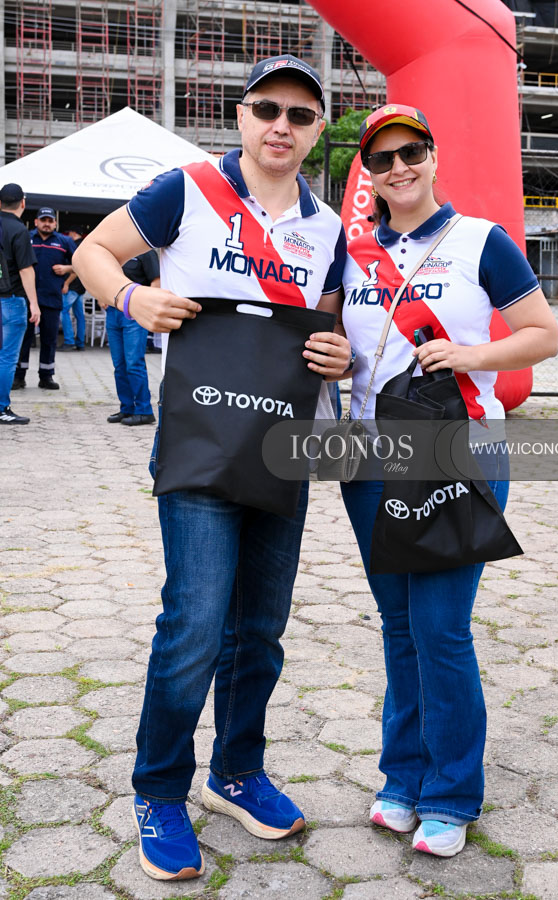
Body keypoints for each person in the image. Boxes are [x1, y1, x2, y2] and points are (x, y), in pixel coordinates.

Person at [73, 54, 350, 882]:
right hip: (197, 446)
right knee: (193, 626)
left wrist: (335, 354)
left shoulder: (327, 228)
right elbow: (94, 251)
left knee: (259, 631)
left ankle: (236, 771)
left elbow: (326, 337)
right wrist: (130, 298)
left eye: (300, 116)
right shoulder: (185, 188)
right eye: (267, 108)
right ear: (240, 115)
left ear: (314, 132)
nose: (281, 125)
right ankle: (159, 788)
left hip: (282, 449)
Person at [339, 104, 558, 858]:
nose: (398, 167)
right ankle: (401, 779)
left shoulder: (480, 242)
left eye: (411, 153)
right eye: (381, 158)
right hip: (369, 458)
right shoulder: (353, 252)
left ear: (433, 158)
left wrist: (468, 357)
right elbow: (337, 339)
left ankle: (451, 793)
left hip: (458, 451)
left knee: (440, 630)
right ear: (365, 174)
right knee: (398, 629)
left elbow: (541, 336)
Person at [15, 207, 76, 390]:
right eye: (44, 220)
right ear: (36, 222)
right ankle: (19, 377)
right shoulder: (26, 238)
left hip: (51, 298)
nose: (47, 224)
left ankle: (46, 376)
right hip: (25, 298)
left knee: (49, 339)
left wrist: (67, 271)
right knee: (22, 339)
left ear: (55, 224)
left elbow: (80, 263)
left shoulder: (64, 241)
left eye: (50, 221)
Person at [0, 183, 40, 424]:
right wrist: (34, 304)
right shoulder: (19, 230)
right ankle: (2, 408)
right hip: (12, 301)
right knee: (6, 357)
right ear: (23, 203)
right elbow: (26, 270)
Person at [106, 249, 159, 426]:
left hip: (134, 312)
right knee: (119, 365)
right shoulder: (114, 252)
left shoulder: (146, 252)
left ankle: (144, 411)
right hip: (113, 311)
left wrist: (148, 308)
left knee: (133, 363)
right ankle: (126, 408)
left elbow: (156, 282)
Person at [58, 225, 87, 351]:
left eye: (69, 233)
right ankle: (80, 343)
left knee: (63, 311)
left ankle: (69, 341)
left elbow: (75, 268)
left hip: (73, 285)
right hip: (82, 285)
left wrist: (66, 283)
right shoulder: (86, 245)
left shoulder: (74, 246)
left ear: (74, 233)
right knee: (79, 315)